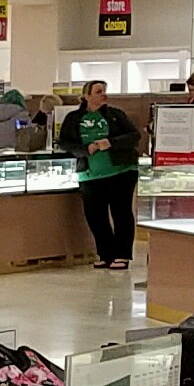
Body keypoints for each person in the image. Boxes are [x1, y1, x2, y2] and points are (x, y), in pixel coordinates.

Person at [57, 80, 141, 270]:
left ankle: (122, 254)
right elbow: (65, 143)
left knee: (121, 214)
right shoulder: (73, 118)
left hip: (121, 172)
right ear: (87, 96)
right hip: (90, 174)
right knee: (95, 216)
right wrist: (85, 149)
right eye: (98, 91)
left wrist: (111, 143)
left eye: (104, 91)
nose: (104, 95)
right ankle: (105, 253)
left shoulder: (116, 115)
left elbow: (134, 136)